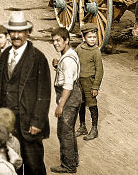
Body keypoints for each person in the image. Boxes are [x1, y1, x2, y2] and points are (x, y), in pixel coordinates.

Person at [0, 11, 51, 175]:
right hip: (7, 121)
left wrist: (37, 122)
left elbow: (44, 93)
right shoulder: (4, 55)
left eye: (20, 32)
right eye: (13, 32)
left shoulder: (38, 58)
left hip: (29, 121)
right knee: (11, 162)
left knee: (33, 164)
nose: (16, 36)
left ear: (27, 32)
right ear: (9, 33)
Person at [50, 27, 81, 173]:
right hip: (73, 96)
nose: (55, 43)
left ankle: (68, 165)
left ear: (66, 40)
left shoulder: (67, 60)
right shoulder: (69, 54)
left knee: (64, 132)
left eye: (58, 40)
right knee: (68, 131)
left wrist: (60, 105)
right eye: (53, 41)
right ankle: (73, 160)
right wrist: (58, 66)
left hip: (68, 98)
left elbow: (68, 85)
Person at [74, 26, 102, 141]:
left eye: (94, 37)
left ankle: (94, 129)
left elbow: (100, 70)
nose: (92, 39)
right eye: (89, 37)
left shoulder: (96, 51)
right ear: (84, 37)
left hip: (90, 83)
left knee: (92, 104)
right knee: (80, 103)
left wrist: (95, 86)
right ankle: (82, 126)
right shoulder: (79, 49)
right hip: (79, 82)